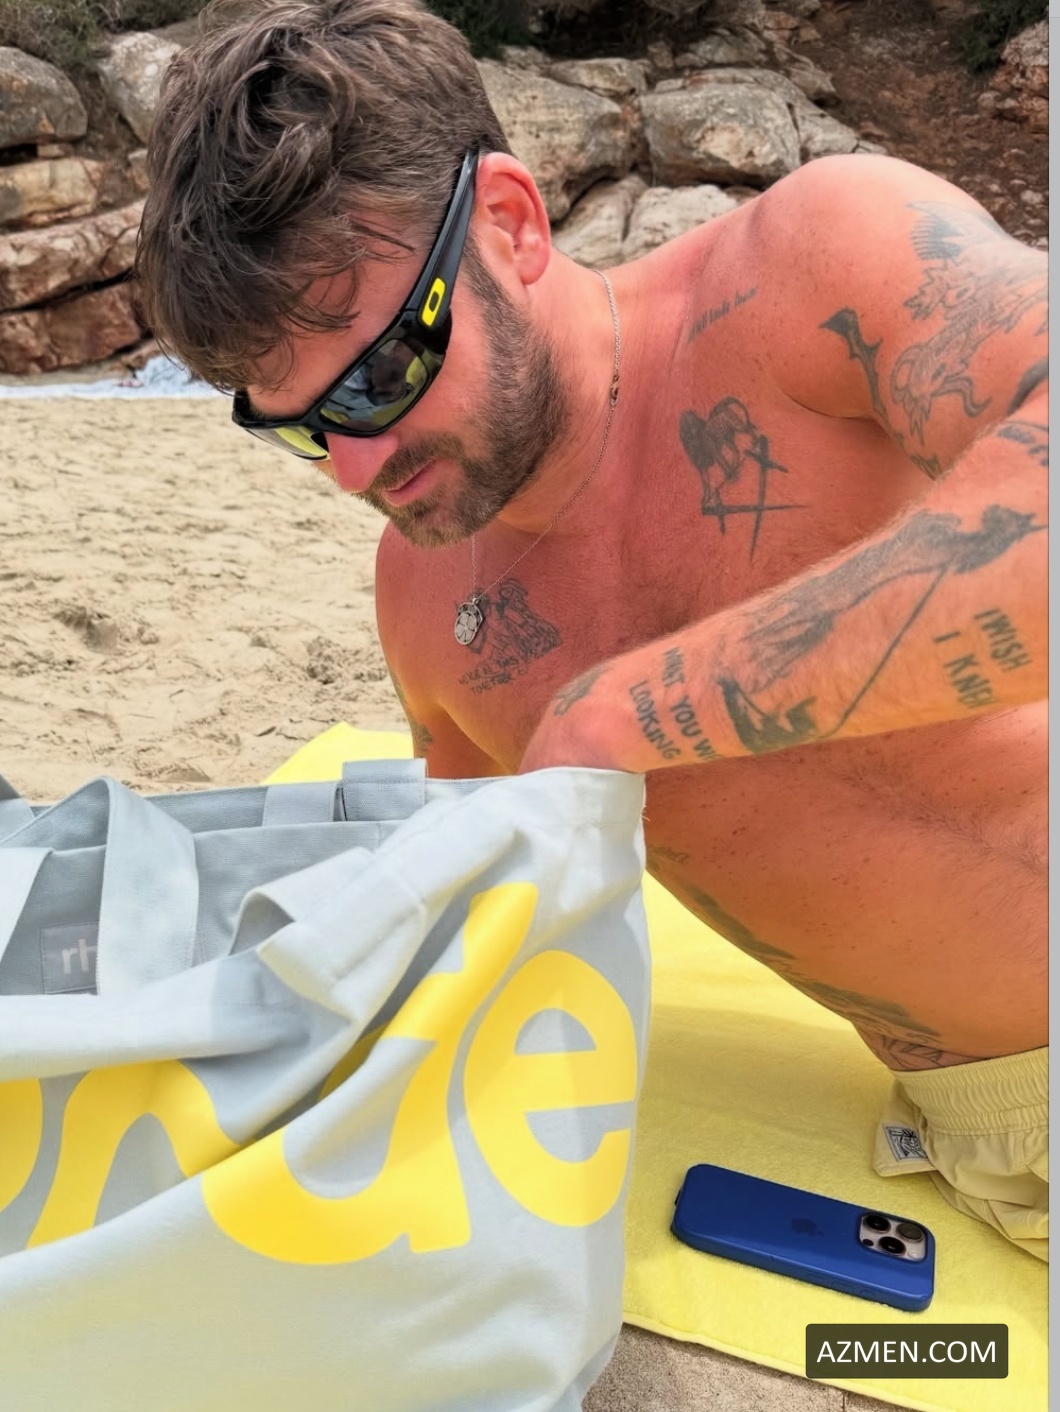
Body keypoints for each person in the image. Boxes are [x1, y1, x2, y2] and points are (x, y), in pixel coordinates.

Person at [135, 0, 1048, 1259]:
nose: (353, 470)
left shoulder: (809, 268)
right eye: (300, 429)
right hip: (969, 1136)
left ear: (508, 224)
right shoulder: (426, 604)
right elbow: (470, 931)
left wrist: (623, 712)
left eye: (380, 378)